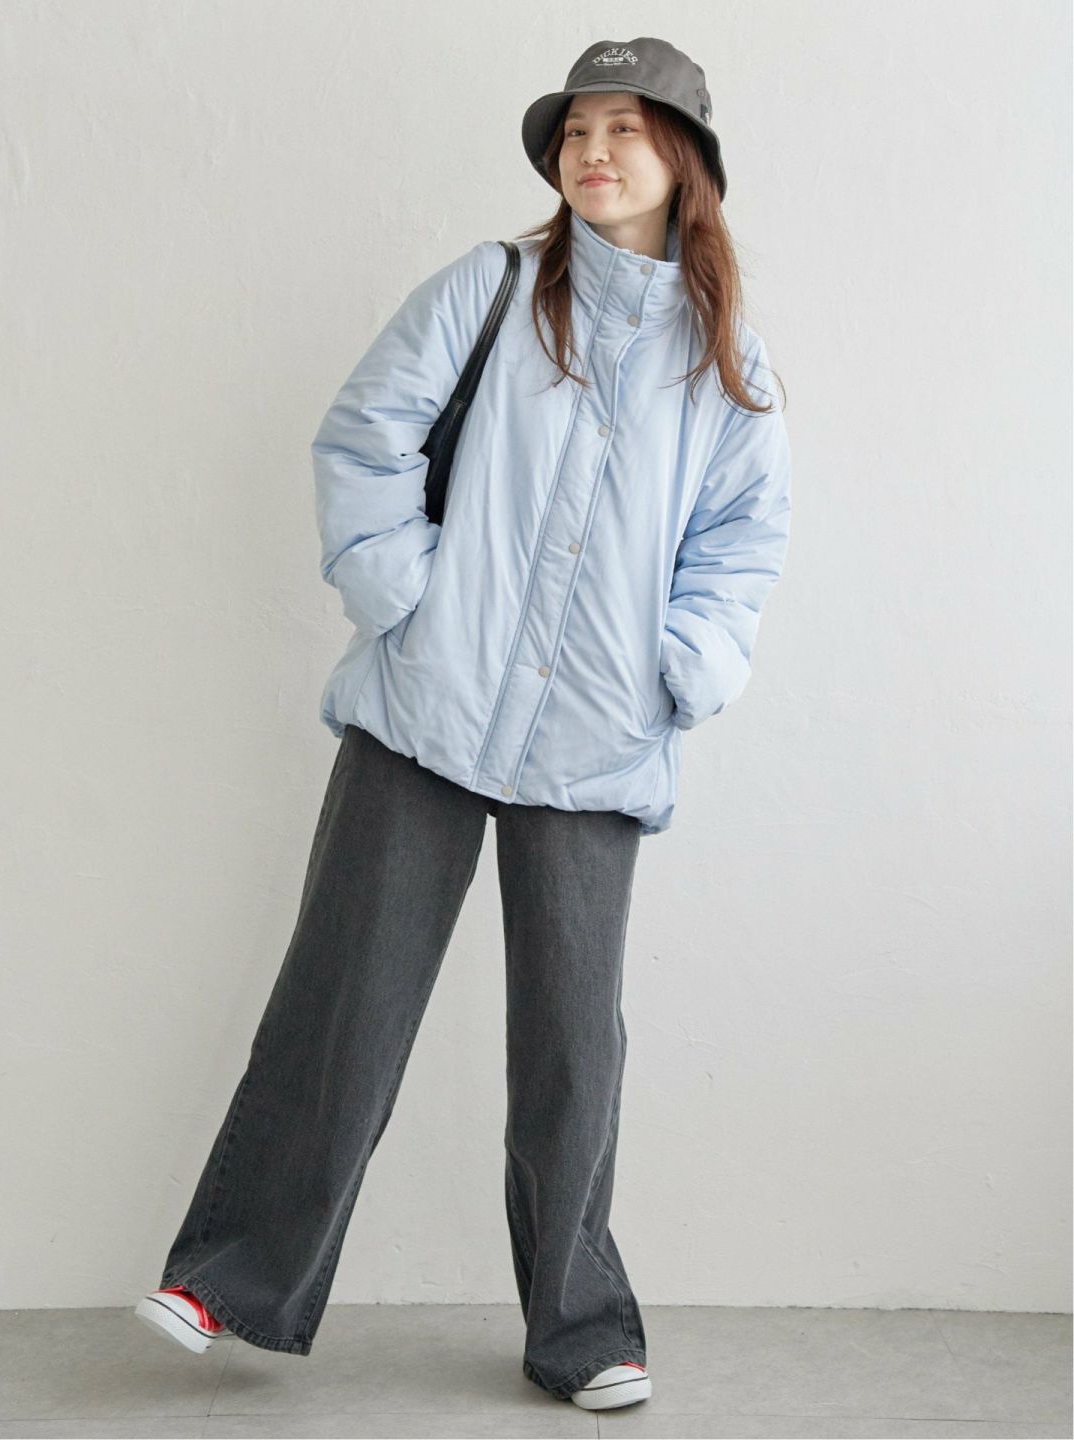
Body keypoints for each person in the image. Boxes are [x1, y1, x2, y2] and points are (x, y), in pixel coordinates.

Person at [135, 35, 792, 1414]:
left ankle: (582, 1331)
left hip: (597, 739)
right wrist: (407, 601)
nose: (593, 152)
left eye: (624, 129)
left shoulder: (726, 357)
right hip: (424, 709)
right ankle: (233, 1278)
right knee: (345, 1002)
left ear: (685, 158)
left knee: (572, 1052)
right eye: (576, 131)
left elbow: (742, 544)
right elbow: (364, 438)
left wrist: (679, 669)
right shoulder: (490, 289)